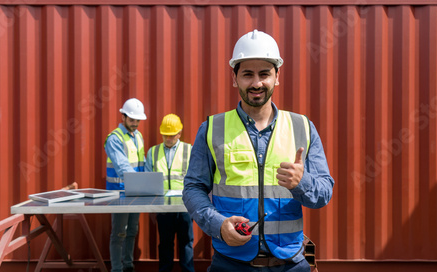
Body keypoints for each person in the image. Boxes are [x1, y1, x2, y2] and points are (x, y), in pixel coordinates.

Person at [182, 30, 334, 271]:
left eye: (264, 74)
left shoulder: (302, 127)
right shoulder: (212, 129)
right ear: (234, 78)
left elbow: (324, 193)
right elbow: (193, 188)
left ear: (277, 76)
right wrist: (218, 225)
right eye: (247, 75)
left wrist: (301, 183)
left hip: (290, 263)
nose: (256, 83)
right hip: (230, 263)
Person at [145, 114, 195, 272]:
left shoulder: (189, 150)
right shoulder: (153, 152)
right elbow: (147, 178)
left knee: (186, 242)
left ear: (179, 133)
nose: (168, 138)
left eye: (171, 135)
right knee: (165, 242)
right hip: (163, 207)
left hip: (185, 206)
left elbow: (196, 178)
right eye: (165, 135)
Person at [104, 98, 147, 272]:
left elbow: (141, 163)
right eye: (132, 120)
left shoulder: (138, 136)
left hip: (135, 192)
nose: (135, 123)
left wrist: (146, 184)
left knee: (132, 231)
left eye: (138, 120)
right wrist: (141, 184)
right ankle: (116, 269)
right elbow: (123, 167)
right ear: (123, 117)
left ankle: (128, 266)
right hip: (120, 193)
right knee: (119, 233)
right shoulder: (114, 139)